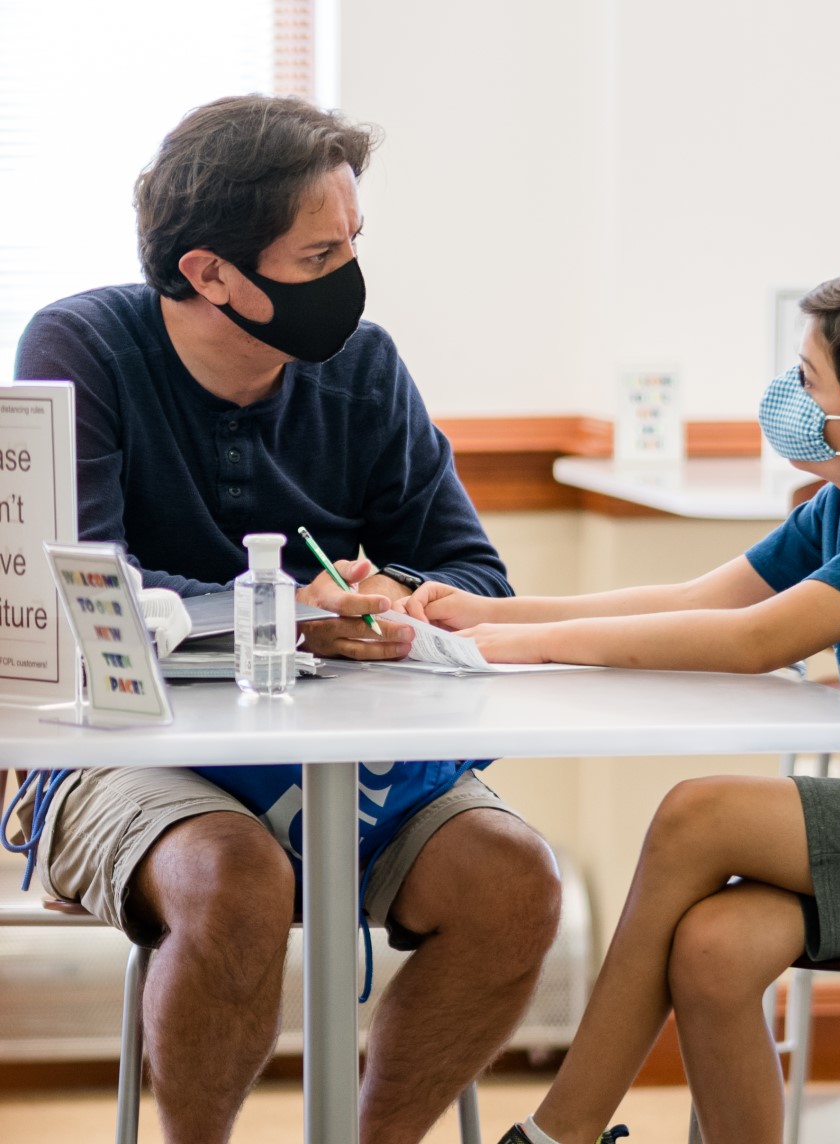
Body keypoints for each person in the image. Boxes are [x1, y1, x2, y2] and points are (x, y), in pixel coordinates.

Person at [403, 262, 840, 1144]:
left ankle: (561, 1132)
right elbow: (704, 598)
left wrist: (522, 646)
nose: (783, 394)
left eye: (806, 381)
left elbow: (755, 642)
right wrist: (498, 616)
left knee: (700, 814)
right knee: (714, 952)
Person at [5, 95, 561, 1144]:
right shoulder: (81, 346)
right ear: (211, 272)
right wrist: (285, 621)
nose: (348, 277)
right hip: (119, 750)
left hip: (344, 758)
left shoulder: (365, 368)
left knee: (514, 883)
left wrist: (392, 602)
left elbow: (468, 569)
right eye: (319, 255)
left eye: (355, 243)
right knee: (235, 878)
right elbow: (91, 595)